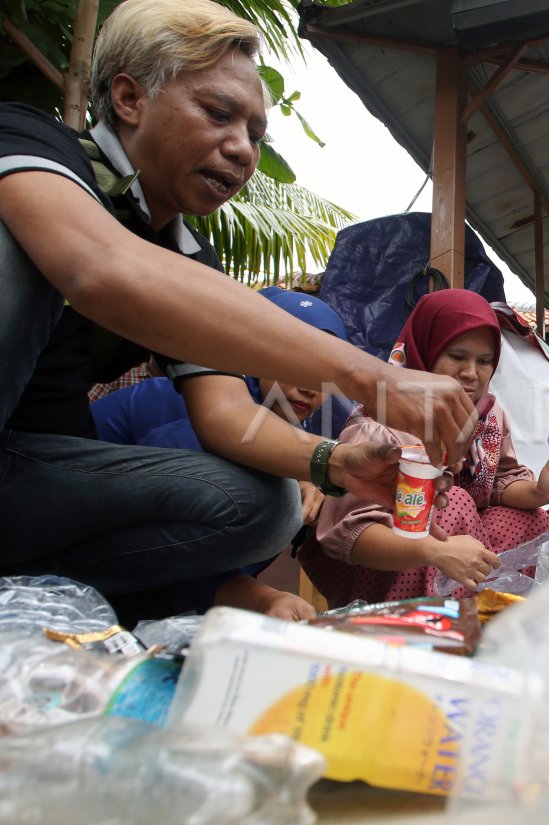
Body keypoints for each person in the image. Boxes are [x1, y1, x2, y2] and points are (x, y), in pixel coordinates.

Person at [0, 0, 475, 604]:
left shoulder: (192, 257)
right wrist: (378, 379)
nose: (242, 150)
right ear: (129, 99)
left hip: (33, 478)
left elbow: (224, 414)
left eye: (254, 134)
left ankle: (45, 596)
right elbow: (100, 267)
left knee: (268, 505)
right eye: (218, 114)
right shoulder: (31, 142)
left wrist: (336, 463)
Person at [299, 289, 549, 608]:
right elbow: (352, 535)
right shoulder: (378, 425)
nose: (471, 373)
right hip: (379, 569)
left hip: (454, 554)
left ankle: (497, 619)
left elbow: (502, 480)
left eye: (485, 361)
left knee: (529, 519)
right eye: (457, 357)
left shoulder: (488, 416)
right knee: (453, 502)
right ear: (425, 352)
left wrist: (539, 492)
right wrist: (437, 551)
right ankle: (432, 630)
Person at [90, 287, 352, 621]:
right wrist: (262, 598)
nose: (310, 387)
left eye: (325, 375)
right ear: (254, 348)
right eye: (296, 362)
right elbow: (174, 555)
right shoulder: (190, 406)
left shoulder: (287, 433)